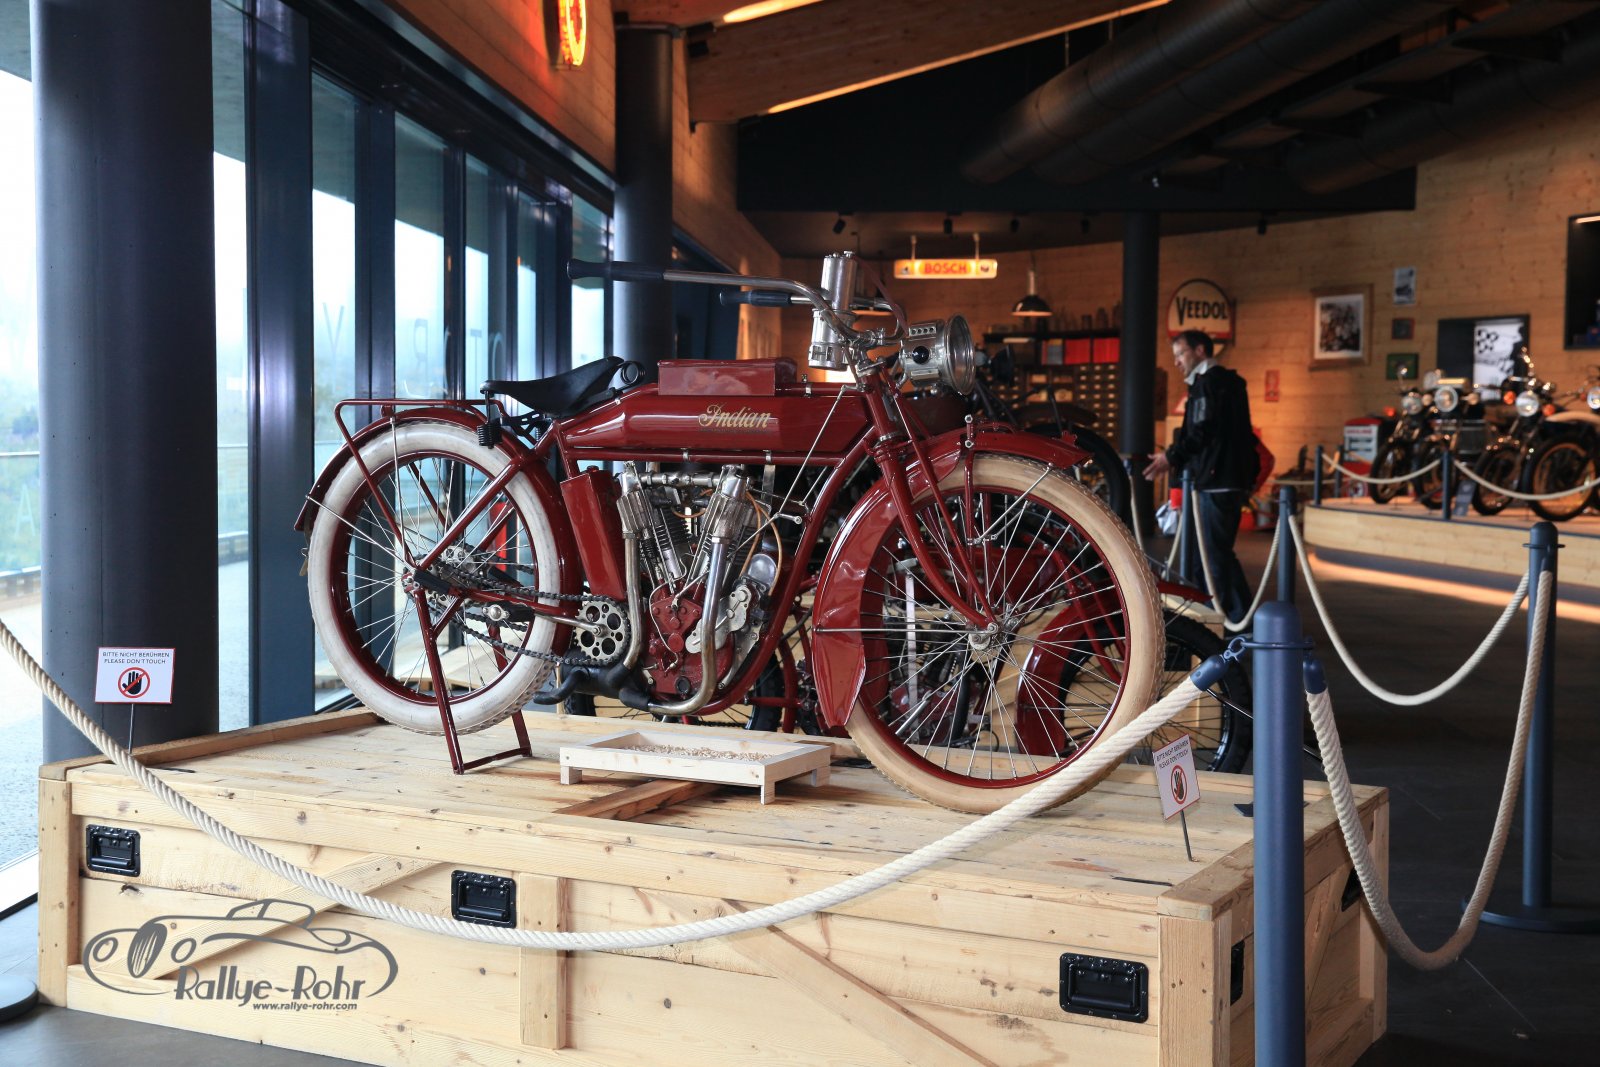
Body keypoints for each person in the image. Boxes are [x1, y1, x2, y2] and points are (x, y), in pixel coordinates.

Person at [1142, 330, 1258, 623]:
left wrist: (1170, 457)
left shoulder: (1209, 384)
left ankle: (1230, 619)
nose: (1177, 362)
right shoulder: (1225, 383)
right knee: (1210, 553)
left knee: (1212, 554)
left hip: (1216, 479)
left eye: (1181, 354)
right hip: (1223, 477)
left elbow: (1201, 431)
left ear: (1200, 351)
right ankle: (1229, 616)